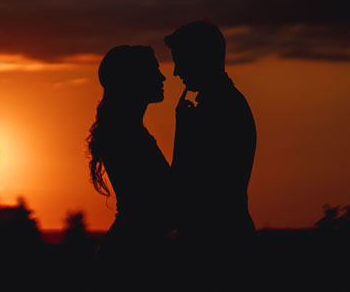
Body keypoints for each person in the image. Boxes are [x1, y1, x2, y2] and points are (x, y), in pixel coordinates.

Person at [166, 21, 256, 290]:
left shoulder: (219, 110)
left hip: (215, 247)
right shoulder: (226, 102)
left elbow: (186, 182)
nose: (176, 72)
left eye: (180, 62)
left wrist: (183, 133)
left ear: (199, 59)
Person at [86, 45, 173, 289]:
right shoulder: (127, 135)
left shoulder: (127, 131)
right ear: (134, 80)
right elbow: (158, 203)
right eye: (154, 71)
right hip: (130, 259)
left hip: (131, 252)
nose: (163, 78)